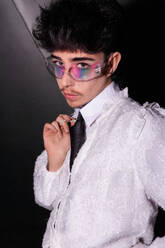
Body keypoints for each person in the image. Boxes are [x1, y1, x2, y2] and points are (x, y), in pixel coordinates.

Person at [32, 0, 165, 247]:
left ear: (111, 63)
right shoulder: (72, 125)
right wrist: (56, 160)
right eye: (59, 65)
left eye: (81, 66)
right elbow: (47, 198)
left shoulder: (140, 128)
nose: (65, 81)